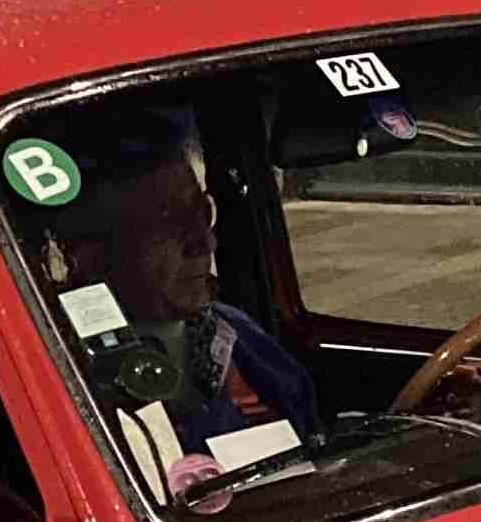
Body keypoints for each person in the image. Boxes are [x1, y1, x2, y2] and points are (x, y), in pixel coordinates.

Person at [60, 122, 319, 458]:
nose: (204, 242)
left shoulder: (237, 334)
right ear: (90, 256)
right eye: (168, 223)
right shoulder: (69, 376)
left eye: (202, 212)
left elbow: (315, 447)